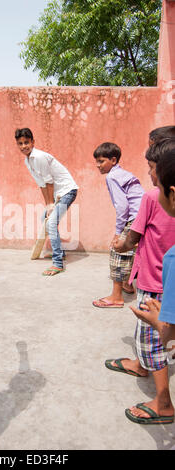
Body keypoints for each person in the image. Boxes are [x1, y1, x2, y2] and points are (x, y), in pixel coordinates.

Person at [105, 137, 175, 425]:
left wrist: (119, 245)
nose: (148, 173)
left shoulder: (151, 197)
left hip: (152, 280)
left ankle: (163, 403)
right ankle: (140, 365)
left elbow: (133, 237)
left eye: (150, 167)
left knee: (153, 339)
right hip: (165, 281)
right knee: (145, 332)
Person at [132, 145, 175, 363]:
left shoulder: (173, 260)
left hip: (152, 284)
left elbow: (168, 334)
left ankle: (162, 397)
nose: (150, 175)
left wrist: (160, 323)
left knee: (153, 344)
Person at [15, 128, 78, 276]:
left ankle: (57, 263)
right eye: (20, 143)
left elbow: (49, 182)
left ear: (33, 142)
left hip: (68, 191)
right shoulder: (28, 160)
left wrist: (51, 204)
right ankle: (60, 253)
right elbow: (42, 184)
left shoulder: (39, 157)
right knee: (45, 217)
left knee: (50, 222)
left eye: (26, 142)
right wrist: (48, 205)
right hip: (58, 194)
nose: (24, 146)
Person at [92, 142, 144, 308]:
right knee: (132, 250)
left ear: (113, 160)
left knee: (118, 249)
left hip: (134, 217)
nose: (97, 165)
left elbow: (123, 207)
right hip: (141, 215)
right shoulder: (123, 173)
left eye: (101, 161)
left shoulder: (112, 176)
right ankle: (127, 284)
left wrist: (118, 231)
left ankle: (116, 297)